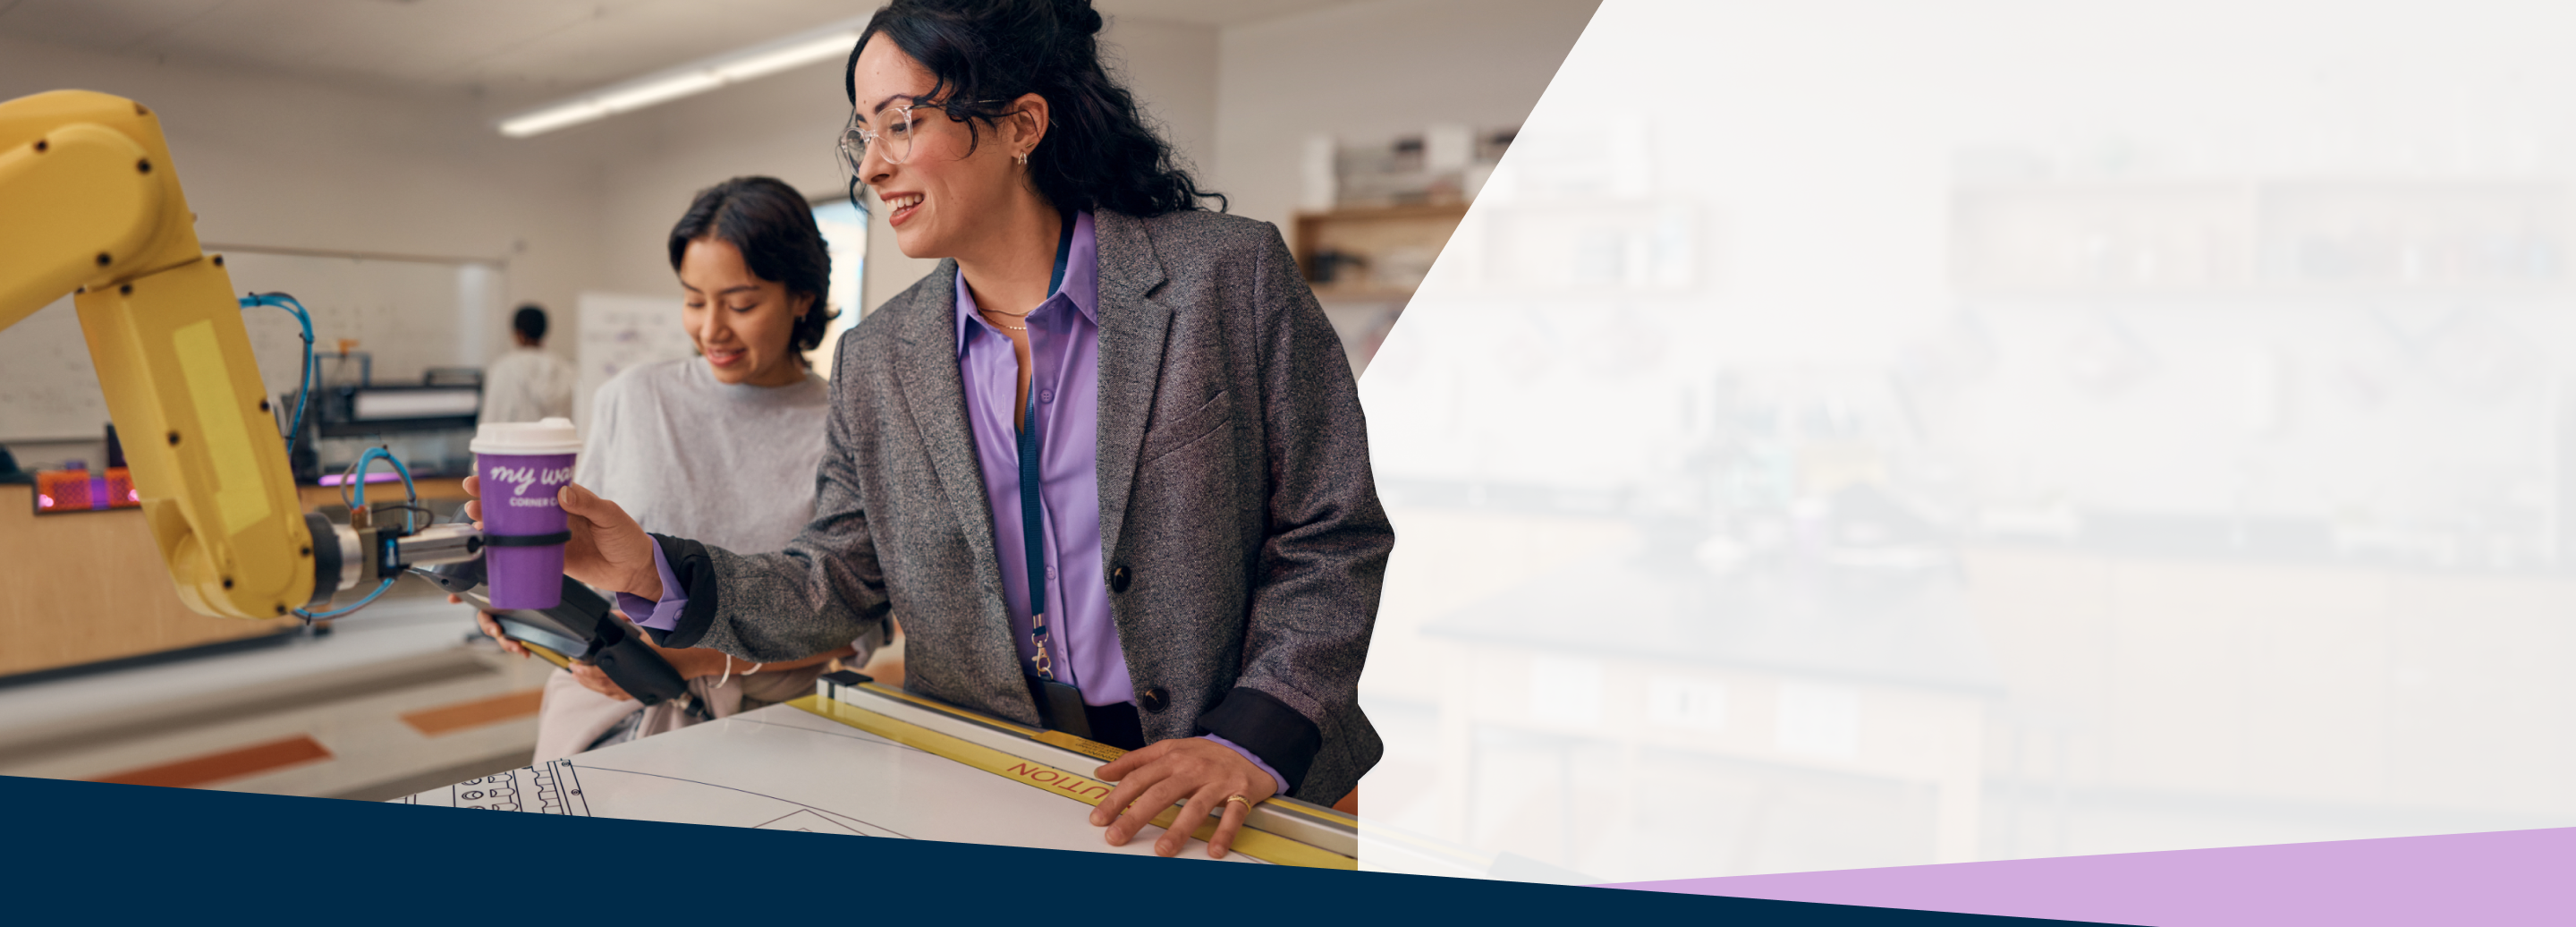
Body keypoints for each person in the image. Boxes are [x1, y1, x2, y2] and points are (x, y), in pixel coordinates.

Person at [466, 0, 1392, 860]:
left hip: (1222, 777)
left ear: (1023, 125)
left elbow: (1330, 531)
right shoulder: (882, 358)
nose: (870, 166)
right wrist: (646, 568)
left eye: (901, 123)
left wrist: (1254, 734)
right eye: (862, 133)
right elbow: (836, 580)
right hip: (988, 767)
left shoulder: (1224, 278)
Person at [471, 177, 869, 760]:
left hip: (775, 730)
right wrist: (518, 598)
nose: (712, 329)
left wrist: (687, 659)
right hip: (604, 715)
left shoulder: (845, 424)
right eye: (693, 300)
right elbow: (584, 560)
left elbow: (855, 622)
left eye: (741, 304)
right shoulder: (631, 398)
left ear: (802, 297)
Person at [479, 304, 576, 424]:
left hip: (513, 441)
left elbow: (491, 420)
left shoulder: (503, 368)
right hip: (553, 442)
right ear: (544, 332)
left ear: (519, 333)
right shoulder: (564, 368)